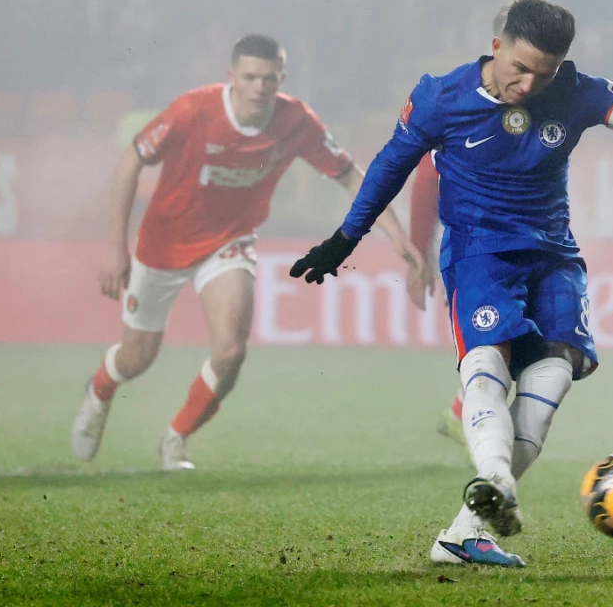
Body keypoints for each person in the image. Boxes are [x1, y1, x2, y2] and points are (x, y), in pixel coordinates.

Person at [291, 0, 613, 567]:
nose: (528, 86)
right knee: (488, 362)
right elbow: (391, 165)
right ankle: (495, 480)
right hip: (480, 254)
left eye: (543, 74)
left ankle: (465, 533)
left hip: (554, 254)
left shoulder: (578, 91)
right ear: (497, 46)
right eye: (519, 69)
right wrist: (345, 239)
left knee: (555, 372)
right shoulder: (440, 97)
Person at [72, 34, 427, 471]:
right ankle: (100, 389)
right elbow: (132, 159)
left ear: (283, 79)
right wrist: (115, 245)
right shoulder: (192, 110)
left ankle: (176, 439)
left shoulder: (296, 120)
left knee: (230, 351)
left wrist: (394, 232)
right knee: (137, 357)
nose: (260, 86)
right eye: (251, 77)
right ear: (231, 78)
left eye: (270, 78)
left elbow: (351, 176)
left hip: (229, 241)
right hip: (162, 242)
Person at [410, 5, 512, 449]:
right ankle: (478, 440)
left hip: (527, 242)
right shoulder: (461, 99)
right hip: (477, 251)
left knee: (529, 350)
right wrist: (419, 253)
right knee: (506, 348)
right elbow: (426, 178)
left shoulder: (546, 95)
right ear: (500, 44)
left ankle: (461, 413)